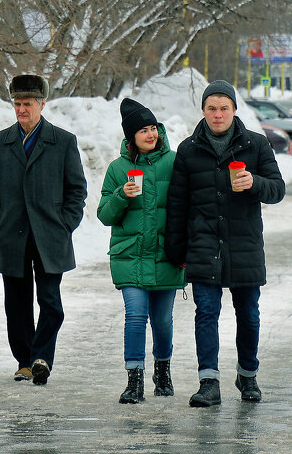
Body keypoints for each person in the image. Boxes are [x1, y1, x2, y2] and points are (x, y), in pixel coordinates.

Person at [164, 80, 285, 407]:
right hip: (203, 245)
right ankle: (209, 382)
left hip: (244, 245)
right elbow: (177, 205)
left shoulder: (256, 145)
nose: (218, 115)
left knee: (248, 314)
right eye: (211, 109)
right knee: (206, 313)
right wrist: (177, 252)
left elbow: (277, 190)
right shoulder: (189, 150)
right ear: (203, 111)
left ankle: (247, 375)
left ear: (234, 110)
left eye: (224, 108)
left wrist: (254, 182)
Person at [0, 74, 88, 386]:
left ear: (42, 104)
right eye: (17, 104)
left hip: (50, 235)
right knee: (16, 304)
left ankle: (41, 357)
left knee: (51, 302)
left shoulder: (63, 141)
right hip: (11, 235)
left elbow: (76, 189)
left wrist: (65, 224)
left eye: (28, 104)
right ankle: (25, 361)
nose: (22, 109)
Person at [97, 98, 184, 404]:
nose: (150, 134)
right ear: (130, 136)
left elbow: (187, 207)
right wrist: (122, 195)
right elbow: (105, 214)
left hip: (166, 256)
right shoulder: (118, 169)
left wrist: (185, 248)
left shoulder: (175, 162)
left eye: (153, 128)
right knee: (135, 316)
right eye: (143, 130)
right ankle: (134, 380)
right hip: (130, 256)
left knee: (162, 321)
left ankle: (163, 371)